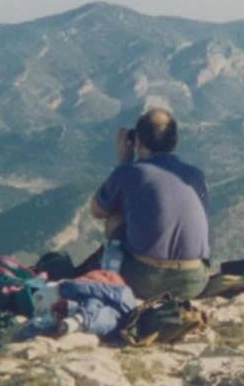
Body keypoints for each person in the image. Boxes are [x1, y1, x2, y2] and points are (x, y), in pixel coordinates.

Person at [86, 108, 212, 300]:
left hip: (145, 281)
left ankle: (110, 277)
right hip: (193, 282)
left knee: (114, 217)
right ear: (175, 141)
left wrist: (124, 164)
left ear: (137, 141)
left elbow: (97, 210)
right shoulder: (195, 175)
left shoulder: (131, 172)